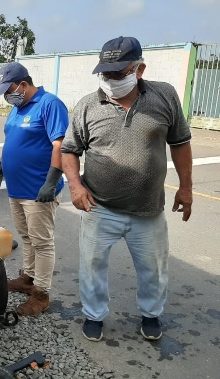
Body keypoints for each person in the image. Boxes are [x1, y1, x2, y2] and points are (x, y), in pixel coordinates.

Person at [61, 36, 193, 342]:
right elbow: (69, 150)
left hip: (148, 210)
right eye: (104, 73)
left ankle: (151, 314)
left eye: (118, 74)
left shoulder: (164, 96)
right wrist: (76, 186)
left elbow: (180, 143)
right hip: (99, 207)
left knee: (153, 269)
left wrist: (186, 187)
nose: (109, 80)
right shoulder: (88, 105)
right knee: (92, 267)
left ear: (139, 69)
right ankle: (94, 315)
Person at [0, 62, 69, 317]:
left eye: (8, 90)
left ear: (23, 84)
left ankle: (41, 294)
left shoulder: (49, 104)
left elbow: (60, 145)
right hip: (17, 189)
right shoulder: (17, 108)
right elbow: (11, 142)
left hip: (38, 189)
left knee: (42, 242)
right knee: (26, 237)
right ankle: (28, 277)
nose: (6, 96)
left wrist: (51, 182)